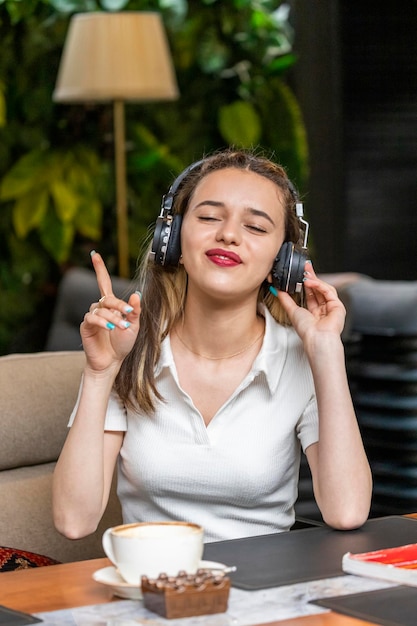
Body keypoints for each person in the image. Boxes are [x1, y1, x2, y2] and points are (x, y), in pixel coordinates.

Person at [52, 148, 372, 543]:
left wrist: (327, 353)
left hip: (264, 592)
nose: (229, 234)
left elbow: (347, 511)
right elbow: (73, 521)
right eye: (207, 217)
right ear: (172, 241)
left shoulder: (301, 358)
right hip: (149, 589)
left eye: (255, 227)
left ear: (283, 260)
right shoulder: (127, 348)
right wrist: (101, 373)